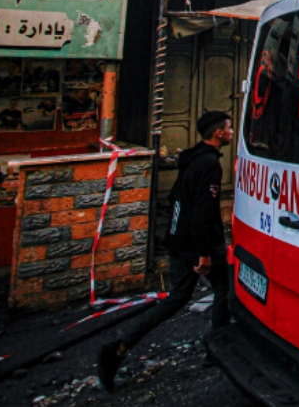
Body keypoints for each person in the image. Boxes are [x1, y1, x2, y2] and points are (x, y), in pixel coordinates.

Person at [98, 111, 234, 391]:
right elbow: (203, 211)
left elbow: (177, 199)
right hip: (195, 243)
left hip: (177, 239)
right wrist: (204, 253)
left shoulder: (192, 158)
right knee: (224, 286)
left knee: (177, 297)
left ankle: (119, 347)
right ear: (218, 133)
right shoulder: (209, 164)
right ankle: (218, 347)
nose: (232, 132)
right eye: (229, 128)